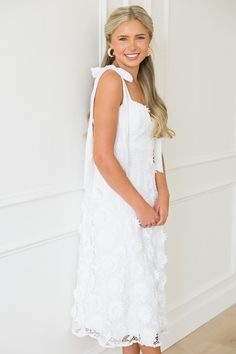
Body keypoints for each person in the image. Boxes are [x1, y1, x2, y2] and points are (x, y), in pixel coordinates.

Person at [70, 5, 175, 354]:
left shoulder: (142, 85)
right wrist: (140, 204)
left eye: (140, 37)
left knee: (136, 314)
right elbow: (103, 156)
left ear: (149, 42)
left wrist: (163, 191)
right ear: (111, 44)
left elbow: (153, 148)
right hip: (121, 207)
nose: (133, 45)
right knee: (140, 318)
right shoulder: (111, 80)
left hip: (144, 203)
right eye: (124, 38)